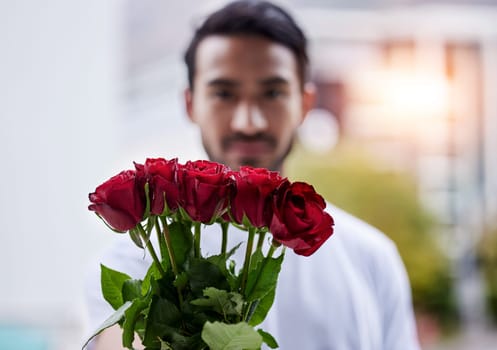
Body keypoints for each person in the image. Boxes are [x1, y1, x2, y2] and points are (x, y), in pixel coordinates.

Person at [85, 1, 421, 349]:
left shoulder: (371, 259)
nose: (249, 122)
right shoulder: (134, 260)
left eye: (272, 93)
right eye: (224, 94)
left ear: (305, 104)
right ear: (190, 104)